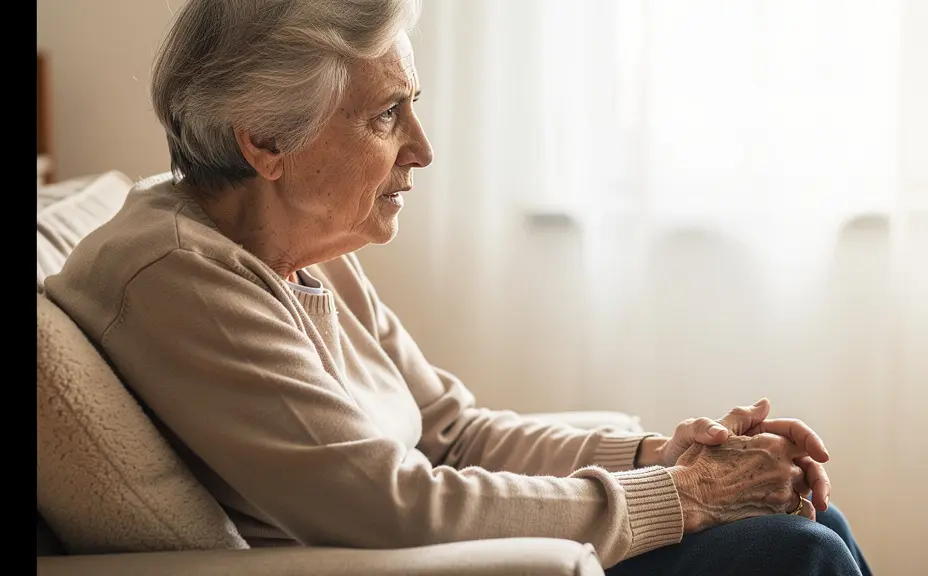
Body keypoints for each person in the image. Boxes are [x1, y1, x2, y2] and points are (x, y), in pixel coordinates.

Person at [44, 1, 872, 574]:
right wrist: (677, 497)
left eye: (413, 107)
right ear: (265, 139)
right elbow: (390, 507)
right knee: (799, 552)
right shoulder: (177, 277)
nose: (423, 148)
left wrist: (663, 456)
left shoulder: (297, 244)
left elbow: (452, 433)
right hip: (426, 567)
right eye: (385, 117)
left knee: (804, 518)